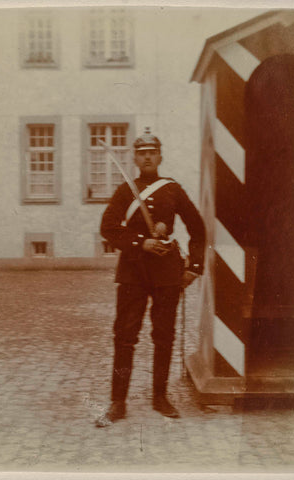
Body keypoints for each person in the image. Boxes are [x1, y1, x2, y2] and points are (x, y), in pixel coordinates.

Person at [96, 127, 205, 427]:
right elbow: (108, 228)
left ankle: (160, 396)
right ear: (135, 158)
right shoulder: (125, 191)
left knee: (164, 336)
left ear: (160, 156)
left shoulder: (172, 189)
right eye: (141, 153)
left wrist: (194, 267)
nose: (147, 157)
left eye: (151, 152)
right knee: (125, 337)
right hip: (132, 273)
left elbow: (198, 228)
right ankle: (118, 402)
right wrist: (139, 242)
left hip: (167, 274)